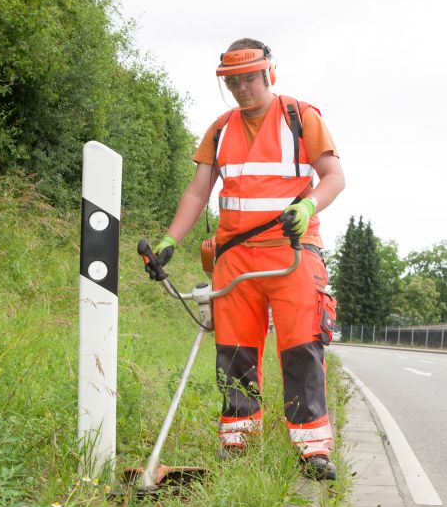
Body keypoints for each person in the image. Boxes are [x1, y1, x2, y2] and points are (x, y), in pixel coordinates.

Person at [146, 38, 346, 480]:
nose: (241, 88)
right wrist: (169, 240)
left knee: (301, 348)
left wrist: (308, 206)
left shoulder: (302, 117)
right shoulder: (220, 130)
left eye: (249, 79)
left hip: (292, 253)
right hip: (234, 257)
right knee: (234, 352)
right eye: (232, 82)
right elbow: (198, 191)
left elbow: (333, 177)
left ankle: (312, 448)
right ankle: (237, 441)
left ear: (269, 73)